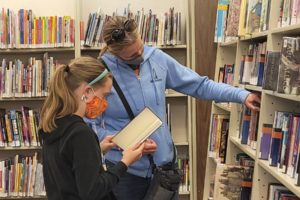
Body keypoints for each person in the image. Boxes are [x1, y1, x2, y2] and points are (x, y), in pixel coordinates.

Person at [84, 16, 261, 200]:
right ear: (116, 54)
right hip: (126, 174)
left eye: (141, 48)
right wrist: (124, 144)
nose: (141, 56)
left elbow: (200, 85)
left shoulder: (156, 59)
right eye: (133, 55)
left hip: (164, 170)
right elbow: (89, 125)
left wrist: (241, 95)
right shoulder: (101, 75)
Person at [39, 56, 145, 200]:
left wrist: (97, 150)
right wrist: (125, 163)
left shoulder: (54, 125)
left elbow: (66, 164)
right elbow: (92, 192)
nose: (105, 102)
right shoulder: (81, 133)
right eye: (105, 95)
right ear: (87, 92)